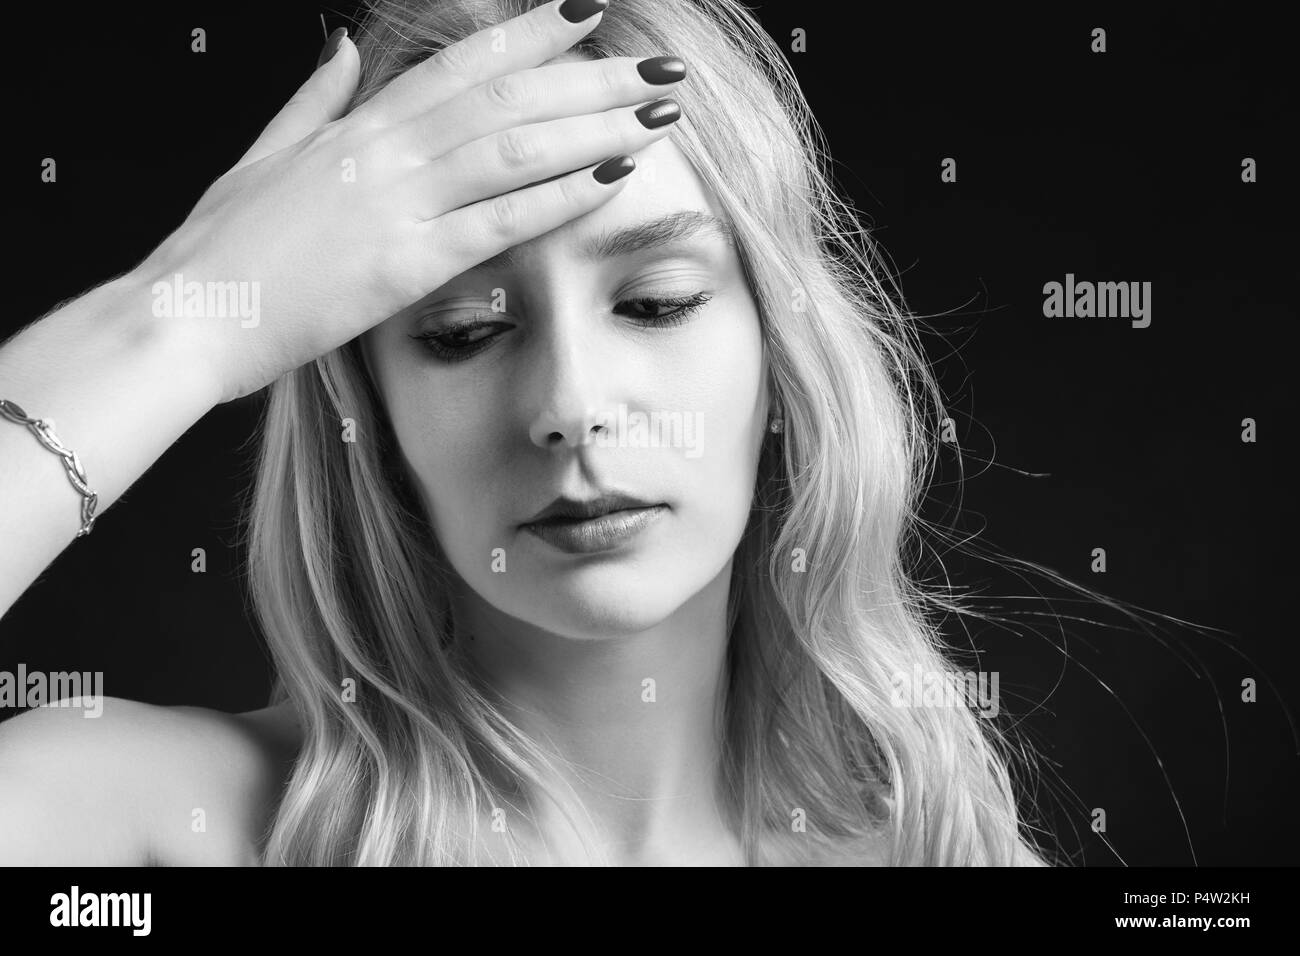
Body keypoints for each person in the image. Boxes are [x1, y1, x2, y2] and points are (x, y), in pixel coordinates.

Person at [0, 0, 1052, 865]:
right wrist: (178, 319)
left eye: (655, 302)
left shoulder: (937, 848)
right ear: (368, 414)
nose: (570, 403)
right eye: (463, 332)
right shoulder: (132, 823)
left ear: (782, 354)